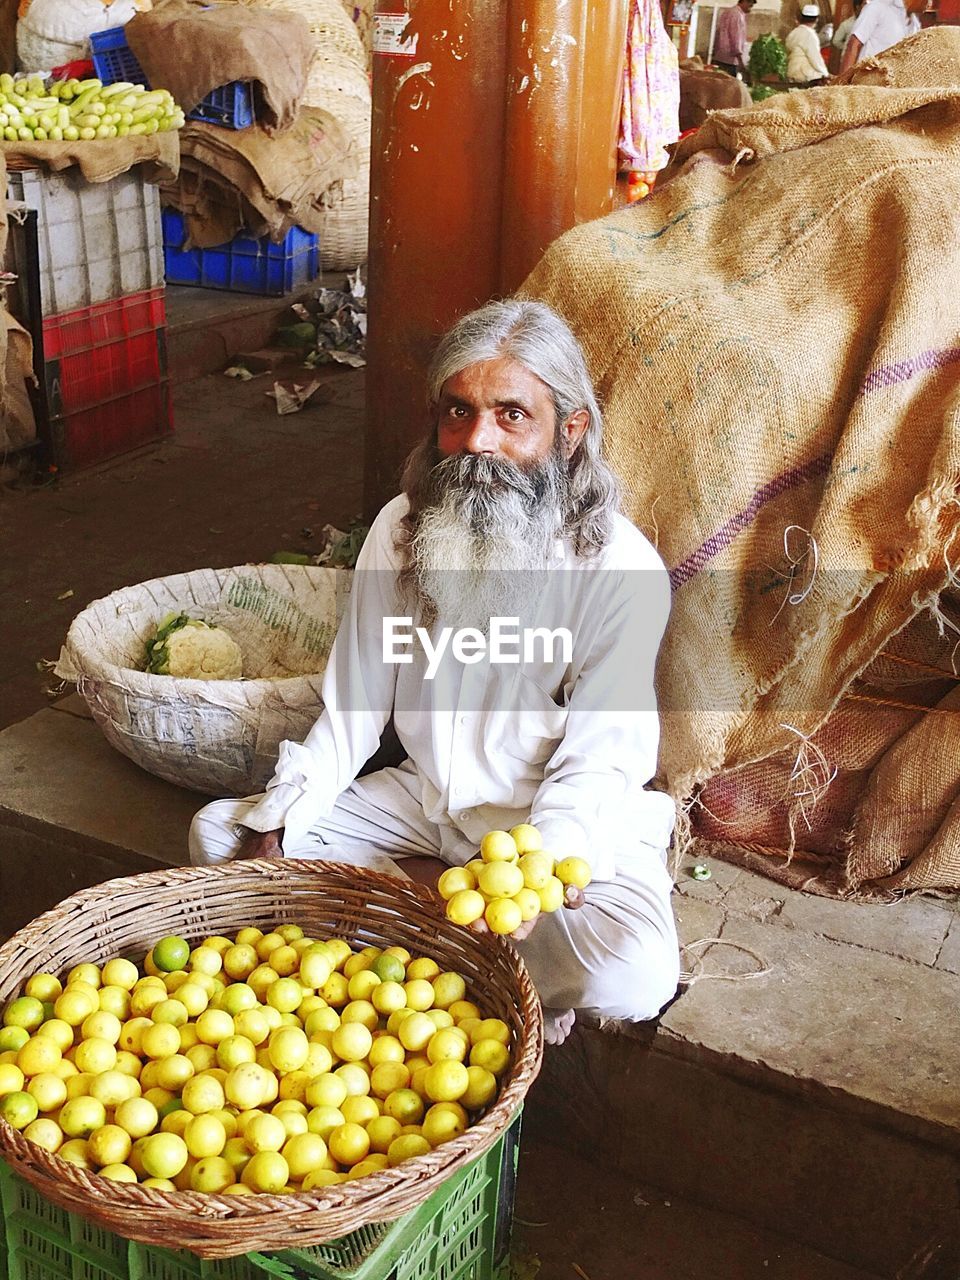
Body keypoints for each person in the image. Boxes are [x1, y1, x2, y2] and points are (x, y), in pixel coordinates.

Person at [189, 299, 681, 1048]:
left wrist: (526, 879)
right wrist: (287, 814)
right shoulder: (402, 529)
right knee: (222, 839)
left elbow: (600, 761)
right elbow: (354, 709)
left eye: (511, 415)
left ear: (569, 431)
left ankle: (417, 920)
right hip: (424, 806)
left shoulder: (618, 568)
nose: (476, 441)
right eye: (459, 412)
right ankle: (466, 943)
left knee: (633, 968)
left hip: (542, 833)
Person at [838, 0, 924, 72]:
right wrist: (842, 86)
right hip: (865, 83)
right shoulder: (878, 7)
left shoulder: (915, 23)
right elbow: (853, 45)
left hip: (890, 87)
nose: (930, 2)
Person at [786, 4, 830, 83]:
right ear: (816, 19)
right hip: (804, 75)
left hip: (792, 71)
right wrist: (825, 74)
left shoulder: (793, 33)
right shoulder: (810, 34)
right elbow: (815, 57)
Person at [713, 0, 757, 79]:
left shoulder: (729, 12)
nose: (751, 9)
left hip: (721, 56)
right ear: (744, 2)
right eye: (750, 5)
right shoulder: (736, 15)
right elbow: (736, 39)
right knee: (728, 86)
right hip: (730, 59)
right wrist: (740, 61)